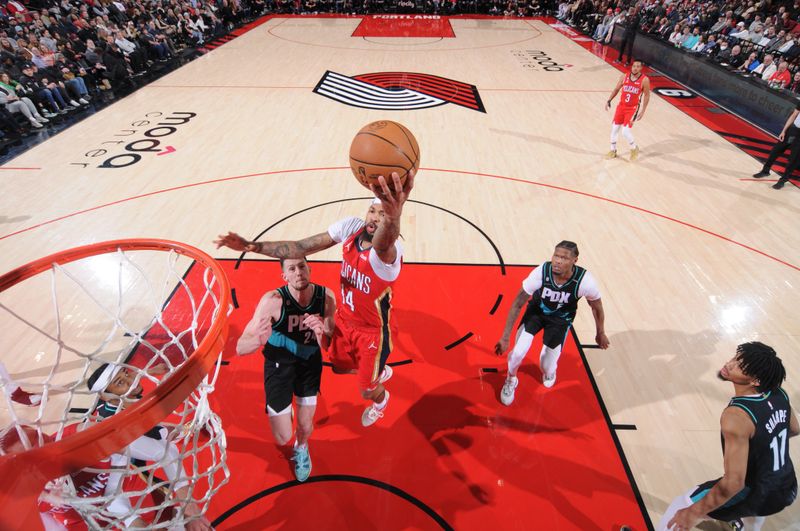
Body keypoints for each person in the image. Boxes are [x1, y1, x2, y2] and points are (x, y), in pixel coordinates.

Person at [215, 172, 413, 427]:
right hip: (345, 320)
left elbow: (384, 242)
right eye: (374, 211)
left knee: (365, 389)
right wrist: (253, 246)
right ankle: (376, 371)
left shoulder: (387, 255)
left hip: (372, 333)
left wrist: (393, 216)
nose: (376, 218)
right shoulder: (352, 228)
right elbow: (300, 246)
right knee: (340, 366)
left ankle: (380, 400)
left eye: (383, 215)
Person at [658, 342, 798, 531]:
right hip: (787, 486)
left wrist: (693, 513)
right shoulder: (779, 393)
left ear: (755, 380)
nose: (730, 363)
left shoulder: (737, 416)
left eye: (740, 365)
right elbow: (795, 429)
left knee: (681, 506)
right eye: (735, 358)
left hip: (756, 492)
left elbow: (733, 483)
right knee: (752, 516)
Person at [236, 257, 335, 481]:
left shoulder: (326, 296)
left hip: (309, 364)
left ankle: (301, 447)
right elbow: (240, 347)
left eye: (302, 266)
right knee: (282, 437)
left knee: (305, 424)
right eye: (292, 268)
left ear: (310, 269)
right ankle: (286, 419)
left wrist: (321, 334)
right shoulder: (272, 300)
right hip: (279, 363)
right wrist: (258, 341)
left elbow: (331, 347)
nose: (298, 272)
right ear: (284, 276)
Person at [85, 362, 213, 531]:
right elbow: (165, 450)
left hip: (118, 482)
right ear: (107, 396)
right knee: (188, 521)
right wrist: (189, 506)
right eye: (120, 383)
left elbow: (130, 380)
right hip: (110, 496)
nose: (131, 381)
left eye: (126, 373)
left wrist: (151, 371)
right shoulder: (117, 426)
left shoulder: (118, 401)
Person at [494, 241, 609, 405]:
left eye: (564, 258)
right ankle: (511, 380)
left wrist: (600, 333)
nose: (558, 261)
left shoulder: (585, 281)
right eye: (556, 256)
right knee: (517, 353)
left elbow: (596, 307)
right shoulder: (541, 272)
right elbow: (518, 303)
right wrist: (505, 337)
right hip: (536, 313)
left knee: (547, 365)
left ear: (575, 260)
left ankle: (550, 372)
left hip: (561, 320)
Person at [605, 59, 651, 160]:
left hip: (632, 109)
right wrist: (609, 100)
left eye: (638, 66)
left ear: (641, 68)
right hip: (621, 106)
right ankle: (613, 150)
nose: (635, 68)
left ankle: (634, 148)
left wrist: (643, 111)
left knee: (625, 131)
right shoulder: (624, 76)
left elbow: (647, 95)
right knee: (614, 129)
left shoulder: (644, 80)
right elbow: (616, 89)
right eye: (634, 66)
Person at [752, 102, 800, 189]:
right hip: (793, 130)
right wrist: (784, 131)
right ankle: (765, 171)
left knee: (793, 161)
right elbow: (794, 115)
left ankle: (783, 180)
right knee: (775, 150)